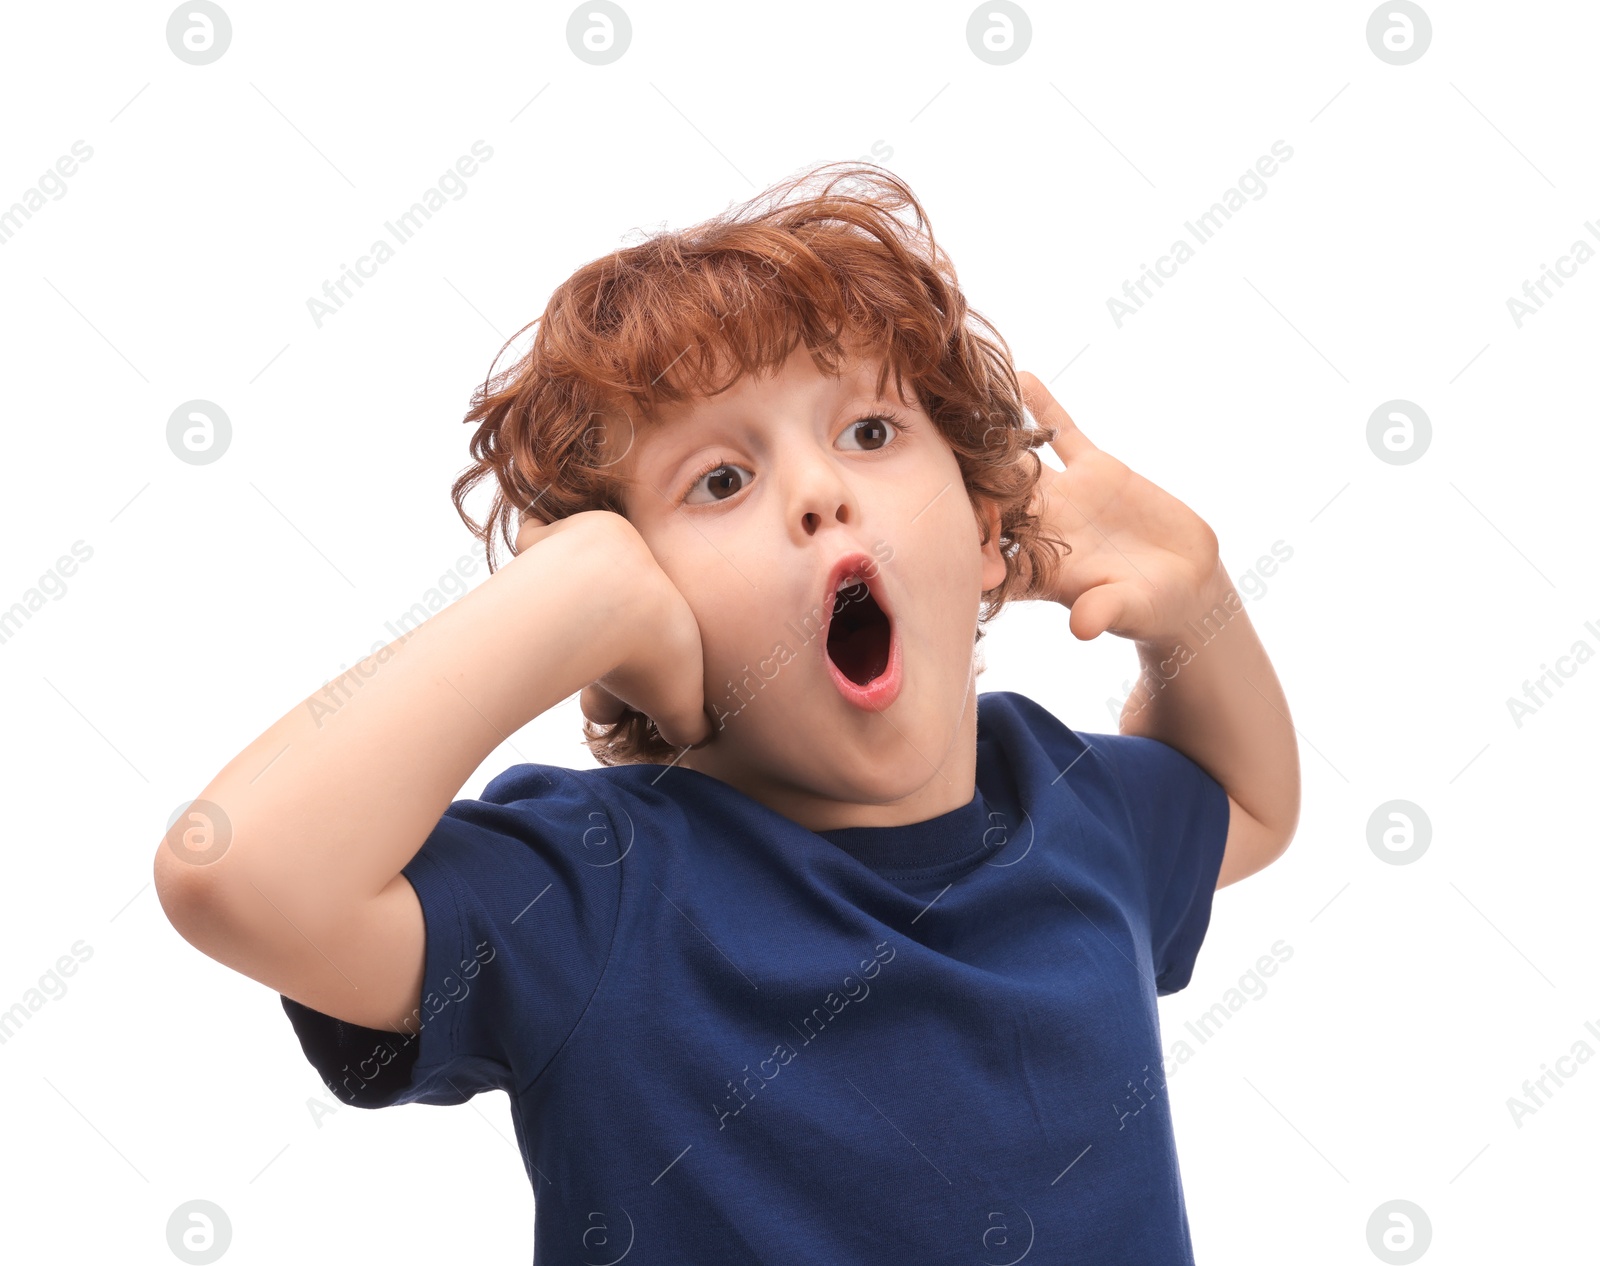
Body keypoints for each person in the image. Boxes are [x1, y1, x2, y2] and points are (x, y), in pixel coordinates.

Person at [154, 161, 1300, 1264]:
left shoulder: (1067, 803)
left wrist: (1194, 602)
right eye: (719, 481)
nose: (817, 491)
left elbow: (1250, 801)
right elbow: (236, 871)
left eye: (868, 431)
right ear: (629, 618)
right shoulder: (590, 891)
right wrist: (573, 596)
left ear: (987, 528)